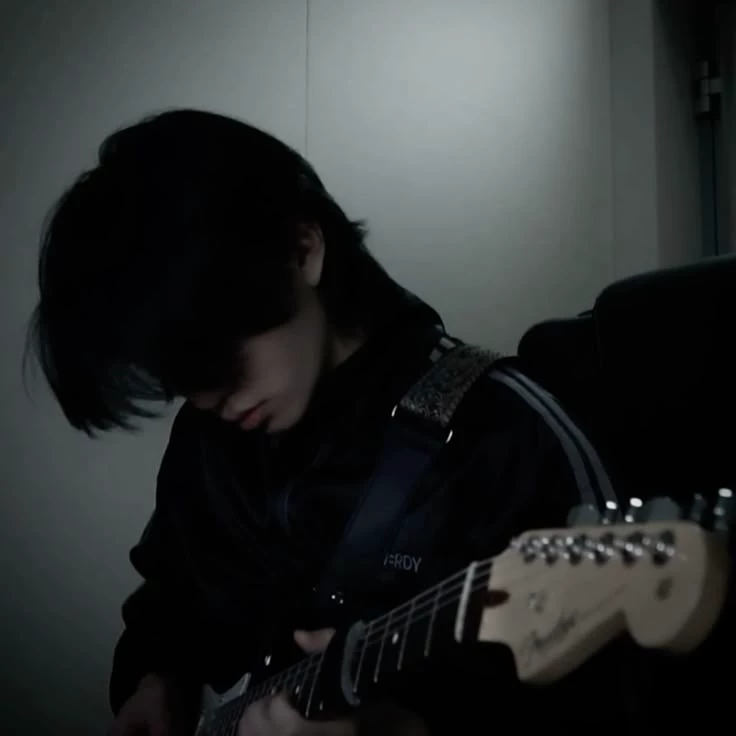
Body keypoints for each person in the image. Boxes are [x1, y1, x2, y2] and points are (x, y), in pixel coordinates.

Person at [26, 108, 692, 735]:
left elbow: (636, 698)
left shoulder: (512, 437)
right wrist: (157, 678)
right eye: (179, 378)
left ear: (301, 250)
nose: (205, 399)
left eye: (214, 356)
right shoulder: (214, 435)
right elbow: (176, 593)